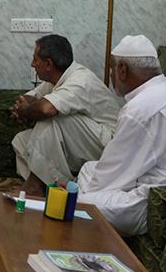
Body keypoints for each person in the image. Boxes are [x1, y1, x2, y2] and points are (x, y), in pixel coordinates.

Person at [76, 35, 166, 236]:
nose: (110, 75)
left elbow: (109, 177)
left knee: (81, 203)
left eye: (111, 68)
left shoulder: (140, 109)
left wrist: (81, 193)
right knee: (88, 168)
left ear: (122, 69)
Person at [11, 34, 120, 193]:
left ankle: (35, 186)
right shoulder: (56, 78)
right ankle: (51, 188)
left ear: (48, 64)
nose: (32, 64)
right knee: (21, 140)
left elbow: (46, 108)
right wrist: (23, 106)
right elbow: (31, 97)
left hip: (108, 145)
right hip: (84, 141)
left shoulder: (80, 80)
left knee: (52, 118)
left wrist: (25, 111)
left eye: (35, 59)